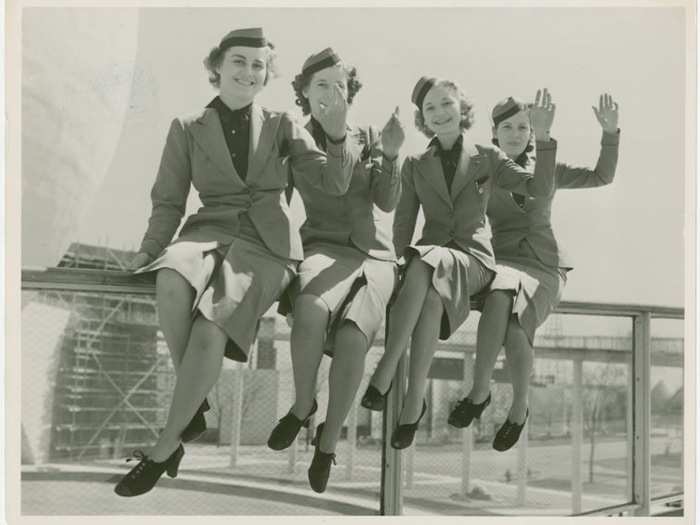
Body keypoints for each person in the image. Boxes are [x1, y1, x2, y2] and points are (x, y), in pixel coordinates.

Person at [114, 28, 360, 497]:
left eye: (258, 65)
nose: (249, 71)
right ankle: (196, 403)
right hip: (208, 230)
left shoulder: (284, 121)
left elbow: (333, 183)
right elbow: (168, 201)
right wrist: (149, 247)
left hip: (266, 245)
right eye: (239, 61)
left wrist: (338, 130)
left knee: (211, 324)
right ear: (217, 67)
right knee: (170, 274)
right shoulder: (187, 127)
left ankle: (167, 445)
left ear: (267, 74)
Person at [361, 77, 557, 450]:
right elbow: (403, 224)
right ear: (422, 119)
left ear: (462, 108)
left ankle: (386, 369)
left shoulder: (489, 155)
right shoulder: (415, 164)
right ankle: (413, 402)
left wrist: (544, 137)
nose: (439, 113)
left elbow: (538, 189)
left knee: (422, 260)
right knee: (427, 292)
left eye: (446, 104)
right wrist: (400, 266)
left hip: (475, 262)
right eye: (430, 108)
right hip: (432, 267)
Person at [265, 48, 405, 493]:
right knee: (308, 307)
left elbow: (386, 201)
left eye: (340, 86)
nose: (331, 93)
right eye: (321, 85)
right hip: (322, 247)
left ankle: (327, 442)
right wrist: (277, 257)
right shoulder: (292, 138)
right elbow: (276, 202)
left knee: (351, 337)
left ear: (351, 93)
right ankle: (303, 403)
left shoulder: (369, 134)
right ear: (304, 92)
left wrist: (394, 154)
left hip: (374, 254)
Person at [448, 94, 620, 451]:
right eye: (507, 127)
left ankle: (511, 405)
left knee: (509, 308)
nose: (515, 134)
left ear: (533, 132)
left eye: (523, 127)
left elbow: (602, 176)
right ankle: (485, 394)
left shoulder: (548, 164)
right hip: (503, 262)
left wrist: (609, 132)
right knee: (508, 315)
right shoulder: (483, 168)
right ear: (494, 133)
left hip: (544, 264)